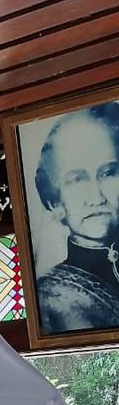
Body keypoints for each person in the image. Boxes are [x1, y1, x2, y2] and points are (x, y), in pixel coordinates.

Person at [35, 101, 119, 332]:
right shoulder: (49, 298)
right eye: (76, 179)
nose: (95, 197)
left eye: (108, 173)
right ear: (54, 200)